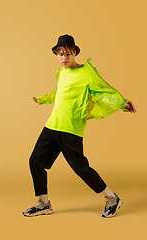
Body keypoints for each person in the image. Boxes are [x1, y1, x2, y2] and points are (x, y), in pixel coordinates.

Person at [23, 34, 136, 218]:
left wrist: (123, 103)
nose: (64, 58)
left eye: (67, 53)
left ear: (74, 52)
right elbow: (59, 92)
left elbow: (103, 89)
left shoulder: (86, 71)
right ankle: (43, 203)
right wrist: (44, 98)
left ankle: (112, 198)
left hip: (71, 128)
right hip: (52, 126)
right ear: (57, 55)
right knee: (35, 161)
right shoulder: (61, 72)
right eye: (60, 54)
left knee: (80, 168)